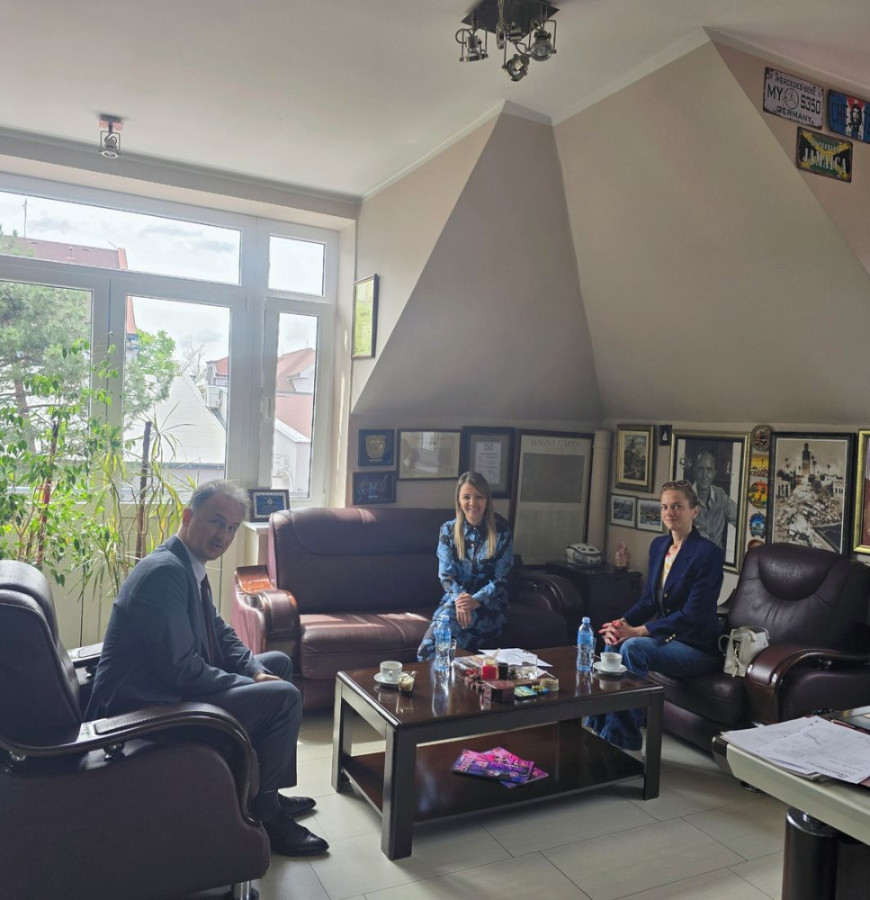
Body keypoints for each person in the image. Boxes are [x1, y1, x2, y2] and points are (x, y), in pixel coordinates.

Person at [86, 480, 328, 857]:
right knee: (283, 696)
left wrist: (254, 671)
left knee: (276, 665)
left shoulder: (187, 564)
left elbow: (220, 632)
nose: (224, 536)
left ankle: (267, 792)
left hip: (167, 690)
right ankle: (266, 816)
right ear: (188, 516)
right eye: (216, 522)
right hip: (146, 707)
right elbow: (182, 672)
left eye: (231, 527)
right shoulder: (165, 573)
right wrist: (254, 685)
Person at [586, 480, 724, 750]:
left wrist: (638, 631)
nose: (669, 513)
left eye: (677, 506)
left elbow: (693, 614)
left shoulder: (708, 554)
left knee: (634, 647)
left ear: (694, 511)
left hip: (695, 646)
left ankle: (623, 740)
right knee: (613, 640)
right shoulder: (659, 546)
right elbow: (649, 600)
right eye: (664, 507)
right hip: (666, 639)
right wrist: (622, 623)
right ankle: (597, 730)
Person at [417, 471, 514, 660]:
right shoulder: (448, 530)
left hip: (490, 605)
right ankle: (442, 677)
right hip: (456, 603)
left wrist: (476, 600)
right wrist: (461, 601)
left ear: (487, 500)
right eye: (467, 497)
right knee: (430, 645)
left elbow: (502, 578)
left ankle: (453, 673)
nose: (473, 503)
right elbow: (446, 575)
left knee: (447, 640)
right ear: (459, 501)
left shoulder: (502, 533)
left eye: (479, 496)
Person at [692, 450, 737, 552]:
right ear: (695, 471)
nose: (705, 475)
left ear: (714, 473)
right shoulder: (684, 497)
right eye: (700, 469)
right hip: (692, 559)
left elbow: (741, 519)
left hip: (716, 559)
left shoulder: (721, 495)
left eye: (709, 470)